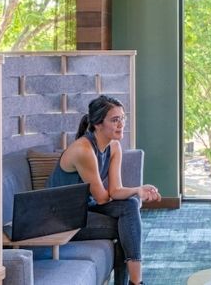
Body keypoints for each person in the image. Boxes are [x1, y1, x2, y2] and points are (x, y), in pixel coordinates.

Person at [47, 95, 161, 285]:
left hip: (86, 208)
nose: (121, 124)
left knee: (130, 205)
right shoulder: (83, 150)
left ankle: (135, 283)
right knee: (127, 227)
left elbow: (115, 191)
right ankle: (136, 283)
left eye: (122, 118)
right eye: (115, 120)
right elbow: (102, 198)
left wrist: (138, 190)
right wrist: (132, 192)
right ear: (98, 124)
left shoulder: (114, 146)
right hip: (62, 218)